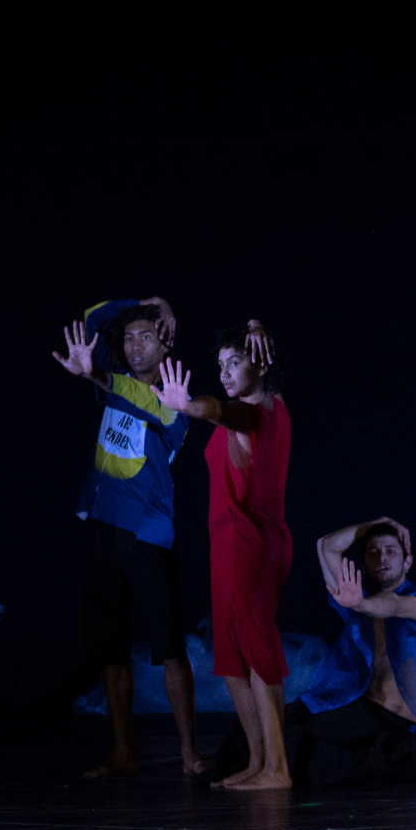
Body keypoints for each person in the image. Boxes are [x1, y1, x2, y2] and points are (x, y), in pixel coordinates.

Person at [52, 299, 207, 778]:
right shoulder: (114, 383)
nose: (135, 344)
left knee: (169, 648)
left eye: (147, 335)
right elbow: (92, 320)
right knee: (110, 649)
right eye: (129, 338)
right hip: (103, 528)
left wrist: (96, 377)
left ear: (166, 344)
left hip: (147, 535)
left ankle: (189, 755)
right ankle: (123, 754)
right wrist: (146, 303)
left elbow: (127, 394)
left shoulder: (174, 400)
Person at [151, 323, 292, 789]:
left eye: (235, 362)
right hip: (230, 543)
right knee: (232, 654)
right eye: (221, 366)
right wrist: (253, 326)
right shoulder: (259, 407)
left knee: (256, 649)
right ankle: (257, 761)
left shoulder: (258, 410)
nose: (226, 372)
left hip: (249, 542)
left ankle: (278, 768)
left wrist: (187, 406)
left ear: (261, 363)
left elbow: (218, 410)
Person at [287, 518, 416, 786]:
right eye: (373, 552)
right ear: (364, 564)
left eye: (391, 551)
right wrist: (378, 523)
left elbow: (394, 605)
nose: (382, 558)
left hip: (411, 725)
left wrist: (361, 603)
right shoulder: (358, 604)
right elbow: (326, 546)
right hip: (368, 713)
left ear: (408, 561)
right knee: (290, 737)